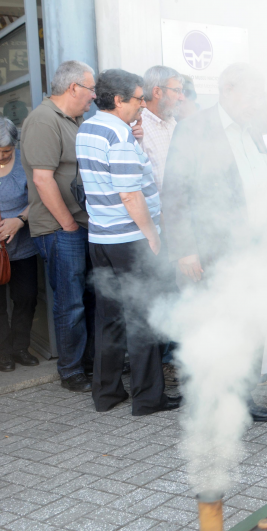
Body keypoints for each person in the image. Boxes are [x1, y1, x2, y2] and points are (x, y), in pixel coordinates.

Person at [162, 63, 267, 423]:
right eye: (252, 94)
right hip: (214, 250)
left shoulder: (254, 129)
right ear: (228, 89)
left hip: (256, 247)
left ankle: (243, 398)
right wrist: (184, 248)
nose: (258, 102)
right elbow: (175, 192)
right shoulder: (195, 129)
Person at [76, 69, 180, 416]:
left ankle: (106, 393)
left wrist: (132, 139)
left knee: (108, 317)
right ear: (118, 100)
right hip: (130, 239)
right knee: (143, 317)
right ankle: (148, 398)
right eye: (137, 99)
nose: (141, 106)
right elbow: (130, 194)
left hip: (101, 237)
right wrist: (152, 233)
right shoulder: (118, 135)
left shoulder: (89, 127)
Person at [20, 60, 96, 392]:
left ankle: (90, 361)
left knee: (88, 297)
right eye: (91, 89)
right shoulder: (42, 120)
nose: (94, 96)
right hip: (60, 228)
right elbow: (42, 178)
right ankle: (71, 369)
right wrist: (67, 224)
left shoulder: (76, 119)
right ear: (73, 87)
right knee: (70, 301)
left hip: (80, 225)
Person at [0, 118, 38, 372]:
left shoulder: (25, 161)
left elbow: (41, 197)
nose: (2, 156)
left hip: (22, 243)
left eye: (6, 151)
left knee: (26, 297)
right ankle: (3, 353)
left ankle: (20, 348)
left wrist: (20, 220)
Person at [140, 66, 184, 192]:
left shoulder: (172, 123)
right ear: (157, 92)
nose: (181, 97)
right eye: (176, 90)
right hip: (154, 210)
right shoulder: (138, 127)